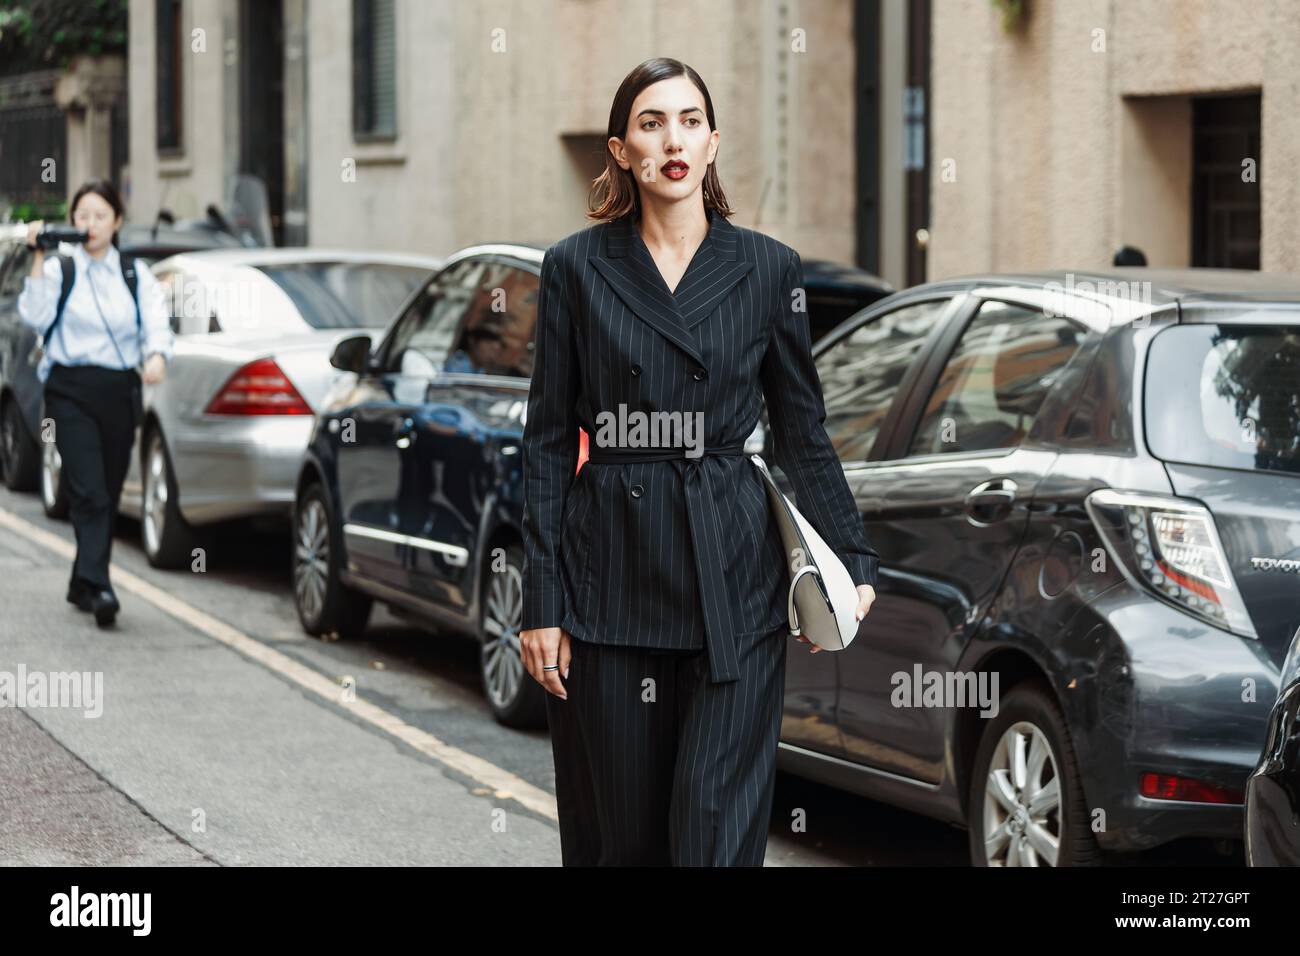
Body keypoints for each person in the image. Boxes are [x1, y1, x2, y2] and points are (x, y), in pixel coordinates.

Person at [519, 58, 879, 866]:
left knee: (714, 833)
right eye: (651, 123)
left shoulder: (769, 270)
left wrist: (850, 557)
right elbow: (544, 442)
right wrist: (541, 601)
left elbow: (802, 429)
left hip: (733, 582)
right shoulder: (576, 267)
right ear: (620, 150)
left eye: (688, 121)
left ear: (712, 145)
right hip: (607, 580)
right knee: (624, 838)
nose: (671, 138)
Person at [18, 179, 173, 627]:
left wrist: (158, 356)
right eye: (82, 216)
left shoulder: (133, 273)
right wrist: (38, 255)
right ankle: (100, 584)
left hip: (120, 390)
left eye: (100, 215)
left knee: (105, 485)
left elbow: (156, 324)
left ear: (117, 221)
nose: (90, 224)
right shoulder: (61, 269)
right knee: (88, 490)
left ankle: (81, 581)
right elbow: (34, 315)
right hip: (70, 389)